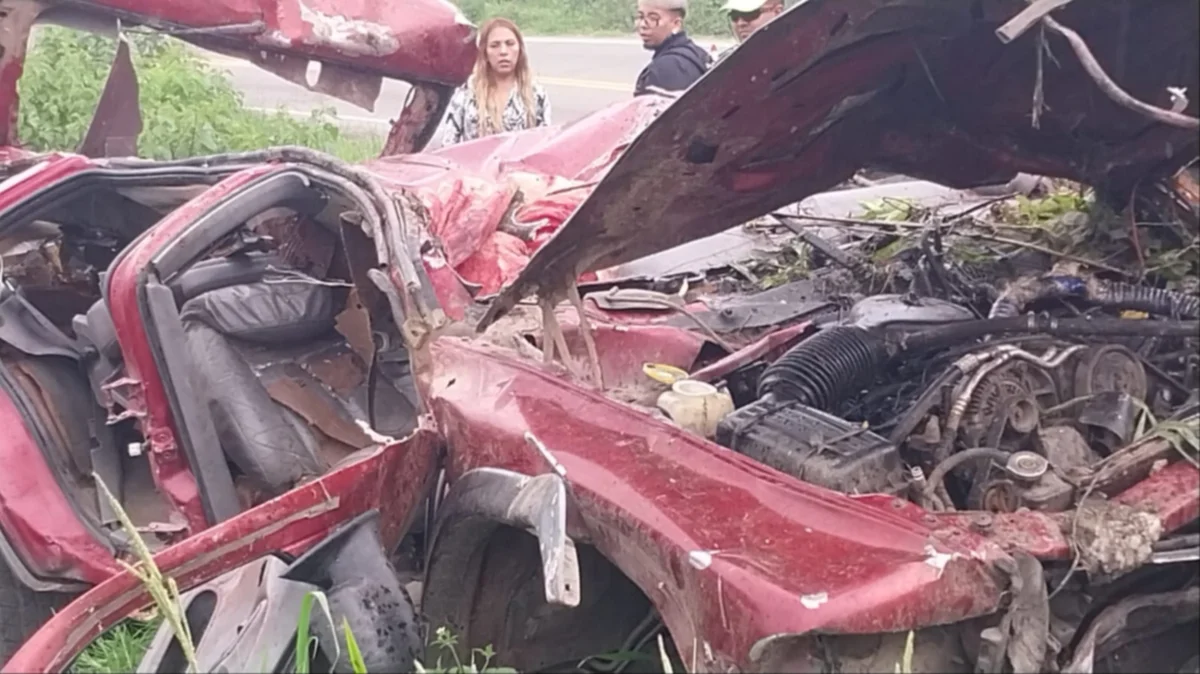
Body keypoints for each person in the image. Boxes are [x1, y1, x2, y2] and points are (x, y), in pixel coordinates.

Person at [442, 18, 551, 145]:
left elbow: (545, 145)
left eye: (510, 44)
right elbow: (448, 145)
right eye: (495, 45)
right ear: (485, 52)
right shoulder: (467, 93)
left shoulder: (536, 94)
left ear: (519, 49)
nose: (503, 52)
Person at [633, 0, 711, 97]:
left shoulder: (664, 69)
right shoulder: (698, 54)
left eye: (653, 18)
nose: (643, 25)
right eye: (640, 17)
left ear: (676, 24)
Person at [714, 0, 785, 63]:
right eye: (734, 16)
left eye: (750, 14)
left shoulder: (794, 57)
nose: (740, 23)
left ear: (778, 12)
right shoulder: (726, 65)